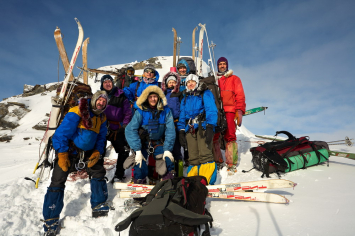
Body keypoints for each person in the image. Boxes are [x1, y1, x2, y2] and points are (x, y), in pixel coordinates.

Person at [42, 91, 109, 235]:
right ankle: (50, 219)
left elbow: (102, 138)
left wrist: (98, 152)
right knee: (57, 181)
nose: (101, 103)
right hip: (69, 151)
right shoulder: (77, 111)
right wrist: (62, 154)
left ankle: (99, 204)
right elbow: (61, 134)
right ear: (94, 100)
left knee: (98, 173)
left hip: (88, 153)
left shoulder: (102, 118)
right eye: (100, 100)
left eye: (104, 102)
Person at [125, 86, 176, 184]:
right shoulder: (140, 111)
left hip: (158, 142)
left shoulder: (166, 111)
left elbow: (170, 131)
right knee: (139, 164)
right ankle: (139, 182)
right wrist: (137, 150)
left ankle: (167, 183)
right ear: (146, 98)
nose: (153, 99)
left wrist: (167, 150)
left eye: (155, 97)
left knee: (167, 161)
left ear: (159, 97)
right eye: (150, 97)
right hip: (143, 143)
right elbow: (130, 129)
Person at [177, 74, 218, 185]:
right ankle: (194, 181)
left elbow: (211, 110)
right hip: (190, 130)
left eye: (193, 82)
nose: (190, 84)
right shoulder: (185, 97)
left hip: (203, 127)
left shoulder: (205, 93)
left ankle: (207, 180)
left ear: (197, 83)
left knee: (205, 155)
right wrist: (181, 130)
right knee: (193, 158)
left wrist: (210, 126)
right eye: (188, 82)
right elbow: (182, 115)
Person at [216, 57, 246, 172]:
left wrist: (239, 110)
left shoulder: (234, 79)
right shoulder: (215, 79)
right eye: (220, 64)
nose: (222, 66)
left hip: (230, 110)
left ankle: (231, 162)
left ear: (227, 66)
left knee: (230, 135)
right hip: (218, 110)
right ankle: (218, 160)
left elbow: (240, 95)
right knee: (215, 136)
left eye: (224, 64)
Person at [100, 75, 132, 182]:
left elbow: (127, 112)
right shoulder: (99, 96)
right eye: (105, 82)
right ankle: (98, 175)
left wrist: (124, 126)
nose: (108, 84)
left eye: (109, 82)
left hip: (117, 128)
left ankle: (119, 174)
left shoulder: (121, 96)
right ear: (102, 84)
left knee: (123, 150)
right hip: (102, 128)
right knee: (98, 151)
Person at [161, 71, 184, 176]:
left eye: (173, 82)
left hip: (176, 122)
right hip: (165, 124)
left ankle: (179, 172)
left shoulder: (179, 94)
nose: (171, 84)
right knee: (166, 146)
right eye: (169, 82)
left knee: (176, 147)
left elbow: (182, 108)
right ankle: (169, 171)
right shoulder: (163, 94)